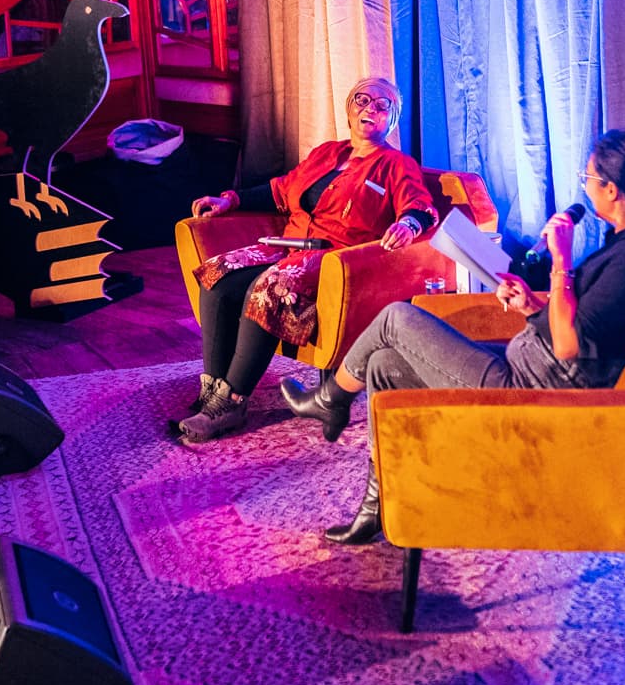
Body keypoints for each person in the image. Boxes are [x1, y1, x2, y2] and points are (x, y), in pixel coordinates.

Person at [281, 128, 625, 543]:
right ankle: (377, 508)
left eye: (588, 179)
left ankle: (330, 400)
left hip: (534, 393)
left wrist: (561, 261)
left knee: (394, 318)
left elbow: (569, 346)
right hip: (529, 366)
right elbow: (585, 323)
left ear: (612, 190)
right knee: (384, 365)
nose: (585, 188)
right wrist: (531, 305)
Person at [176, 77, 436, 444]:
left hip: (333, 256)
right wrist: (230, 200)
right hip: (289, 244)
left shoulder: (396, 164)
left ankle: (231, 402)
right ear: (349, 109)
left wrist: (408, 224)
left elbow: (420, 207)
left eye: (382, 106)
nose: (370, 109)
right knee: (217, 274)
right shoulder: (327, 153)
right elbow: (281, 190)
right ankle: (213, 391)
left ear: (392, 120)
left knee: (270, 288)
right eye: (362, 100)